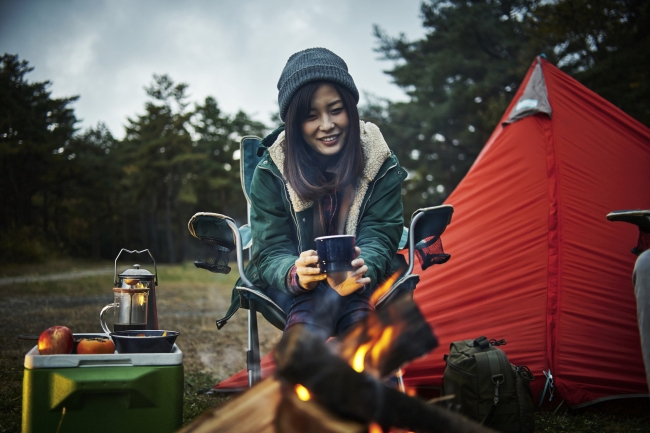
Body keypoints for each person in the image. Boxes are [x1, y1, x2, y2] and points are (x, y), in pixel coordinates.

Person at [242, 48, 407, 338]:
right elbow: (270, 249)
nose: (327, 125)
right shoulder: (272, 170)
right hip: (294, 287)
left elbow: (381, 232)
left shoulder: (379, 160)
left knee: (354, 309)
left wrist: (359, 268)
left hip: (360, 280)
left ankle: (353, 368)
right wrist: (295, 272)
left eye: (336, 110)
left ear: (350, 109)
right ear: (294, 123)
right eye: (311, 116)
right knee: (313, 302)